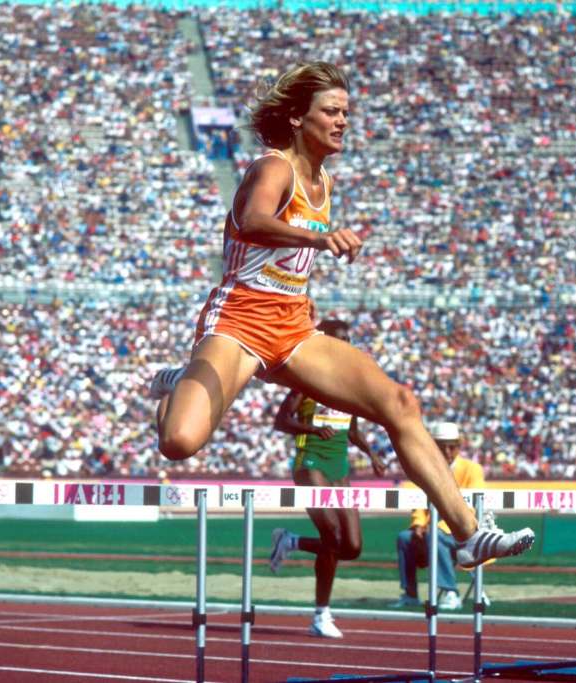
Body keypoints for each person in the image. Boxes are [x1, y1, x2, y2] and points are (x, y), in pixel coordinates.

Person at [147, 61, 534, 573]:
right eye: (331, 111)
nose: (342, 121)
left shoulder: (324, 179)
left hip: (292, 326)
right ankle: (181, 381)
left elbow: (283, 261)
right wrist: (318, 237)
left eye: (345, 112)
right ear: (296, 118)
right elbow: (252, 221)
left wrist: (304, 283)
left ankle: (468, 535)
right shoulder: (273, 168)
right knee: (179, 442)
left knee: (399, 403)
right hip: (240, 322)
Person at [268, 318, 386, 638]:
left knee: (352, 546)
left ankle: (291, 541)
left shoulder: (350, 385)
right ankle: (321, 615)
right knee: (332, 534)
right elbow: (281, 421)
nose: (345, 345)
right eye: (339, 339)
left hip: (339, 467)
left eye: (348, 340)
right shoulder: (306, 381)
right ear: (324, 341)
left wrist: (372, 455)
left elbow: (353, 430)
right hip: (310, 463)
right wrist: (311, 429)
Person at [391, 421, 487, 610]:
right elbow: (419, 501)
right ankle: (410, 593)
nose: (448, 452)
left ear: (459, 446)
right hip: (432, 530)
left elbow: (472, 507)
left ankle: (450, 592)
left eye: (452, 447)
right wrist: (418, 525)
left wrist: (435, 527)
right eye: (442, 447)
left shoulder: (472, 469)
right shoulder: (425, 468)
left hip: (464, 533)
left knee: (436, 535)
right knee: (404, 538)